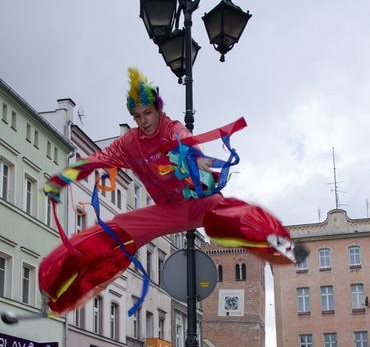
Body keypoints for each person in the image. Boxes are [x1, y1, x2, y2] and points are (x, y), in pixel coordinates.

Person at [40, 68, 305, 315]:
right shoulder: (129, 144)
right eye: (138, 116)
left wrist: (196, 160)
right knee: (116, 232)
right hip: (166, 211)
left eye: (147, 113)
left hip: (195, 200)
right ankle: (56, 291)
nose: (143, 121)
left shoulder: (171, 129)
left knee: (224, 213)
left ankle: (280, 243)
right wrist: (61, 179)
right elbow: (96, 160)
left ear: (158, 109)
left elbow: (186, 141)